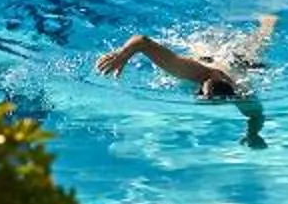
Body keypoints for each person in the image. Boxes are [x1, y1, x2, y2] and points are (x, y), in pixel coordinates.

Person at [96, 14, 276, 144]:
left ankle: (268, 22)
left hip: (235, 64)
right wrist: (122, 55)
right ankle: (268, 21)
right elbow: (141, 41)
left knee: (254, 51)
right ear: (202, 82)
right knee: (253, 49)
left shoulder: (241, 93)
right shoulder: (191, 71)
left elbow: (256, 115)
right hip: (215, 57)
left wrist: (253, 134)